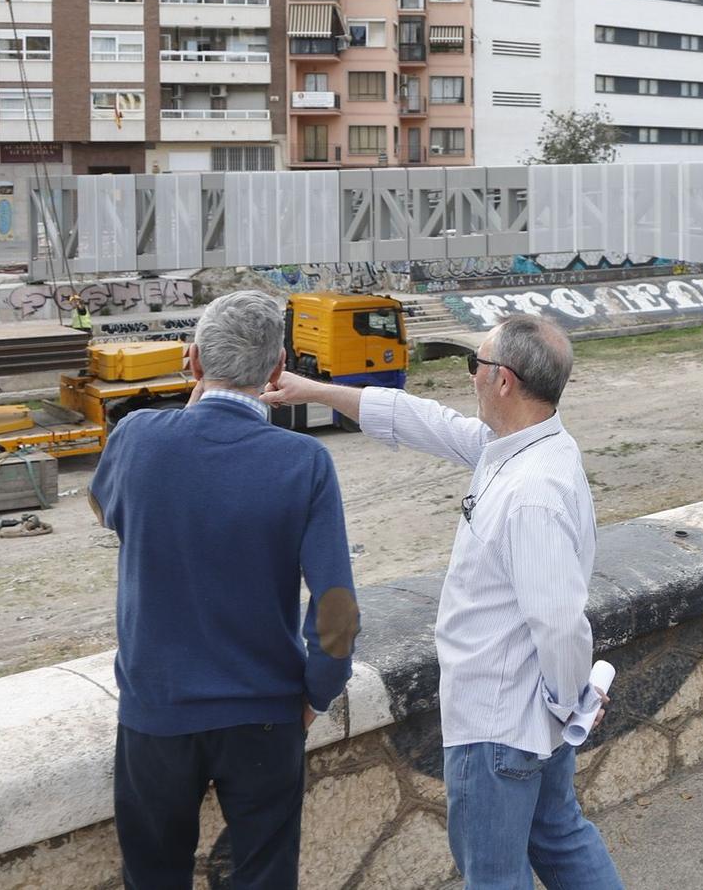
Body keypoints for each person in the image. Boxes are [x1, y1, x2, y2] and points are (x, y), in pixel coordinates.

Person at [262, 315, 621, 890]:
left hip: (500, 725)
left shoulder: (529, 491)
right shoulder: (528, 446)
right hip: (530, 721)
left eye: (474, 365)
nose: (470, 377)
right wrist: (312, 391)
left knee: (494, 875)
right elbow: (420, 420)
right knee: (562, 840)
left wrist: (565, 704)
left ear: (503, 381)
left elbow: (559, 621)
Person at [90, 291, 358, 890]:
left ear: (192, 362)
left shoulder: (136, 439)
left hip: (156, 713)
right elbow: (337, 613)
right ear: (276, 369)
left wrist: (187, 413)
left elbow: (104, 507)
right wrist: (317, 695)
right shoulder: (304, 461)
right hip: (264, 715)